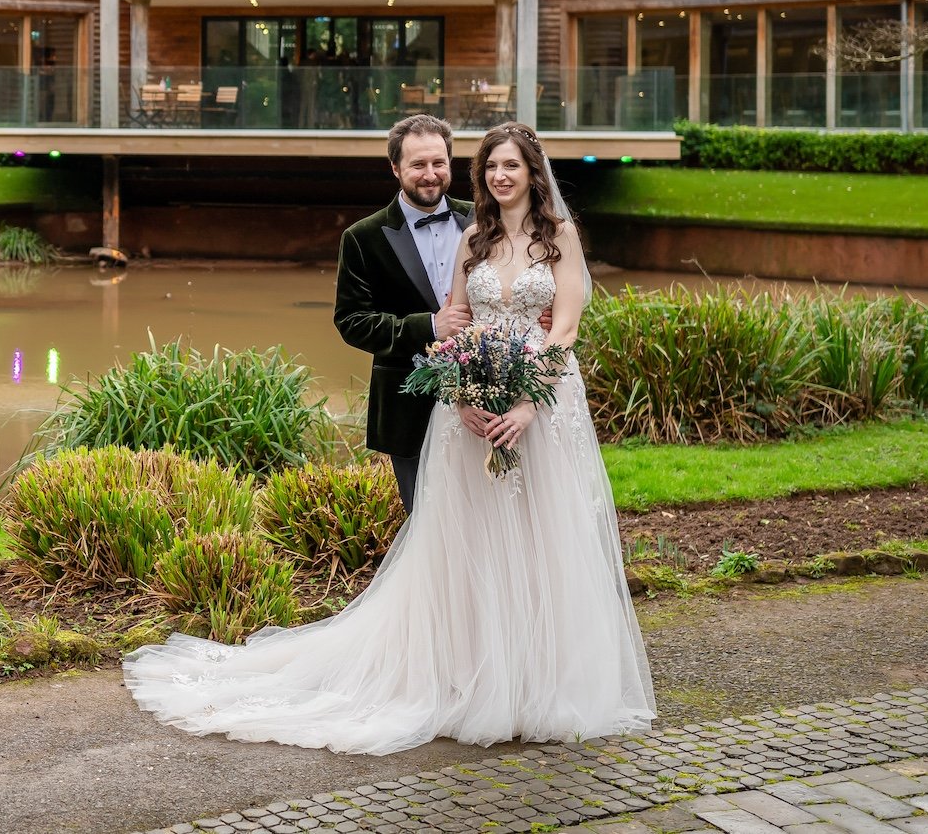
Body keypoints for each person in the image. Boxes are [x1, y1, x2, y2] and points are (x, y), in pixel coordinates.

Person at [122, 121, 654, 754]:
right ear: (397, 169)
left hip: (538, 406)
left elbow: (560, 330)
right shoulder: (416, 238)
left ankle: (538, 677)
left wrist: (527, 404)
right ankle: (466, 675)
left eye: (454, 163)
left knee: (544, 541)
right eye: (487, 167)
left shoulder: (532, 233)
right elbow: (375, 322)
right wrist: (461, 395)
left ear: (531, 173)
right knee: (458, 548)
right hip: (449, 413)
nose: (488, 176)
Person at [329, 114, 473, 511]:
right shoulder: (363, 237)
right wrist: (429, 326)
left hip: (489, 399)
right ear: (395, 168)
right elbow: (352, 322)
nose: (430, 175)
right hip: (409, 407)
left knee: (489, 523)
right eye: (418, 165)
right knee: (426, 522)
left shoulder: (484, 221)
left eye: (438, 163)